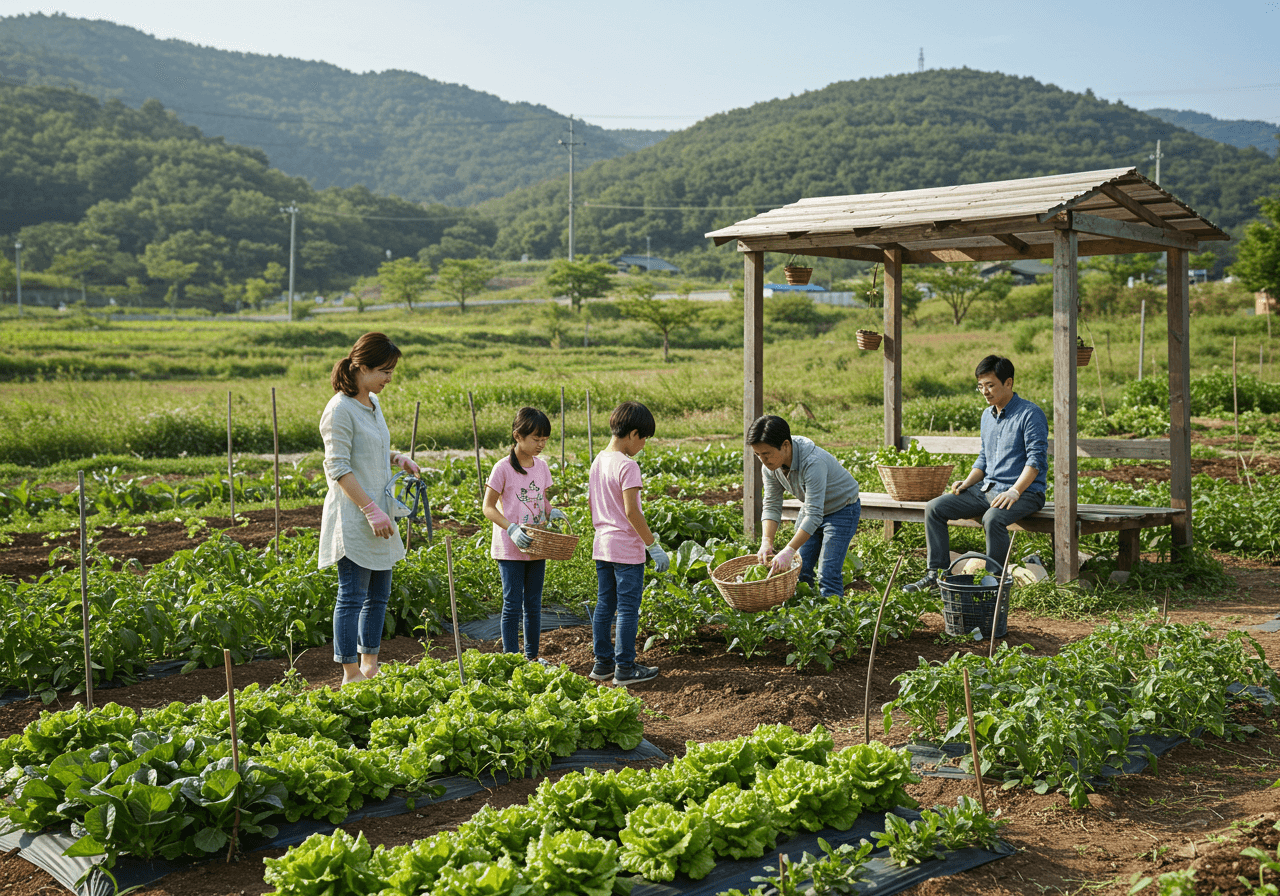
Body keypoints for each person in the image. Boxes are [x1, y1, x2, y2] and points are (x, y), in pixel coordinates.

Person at [318, 332, 419, 686]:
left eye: (391, 371)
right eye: (384, 371)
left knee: (379, 594)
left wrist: (396, 458)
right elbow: (339, 467)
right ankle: (349, 672)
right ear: (361, 367)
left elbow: (370, 450)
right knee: (352, 595)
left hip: (380, 510)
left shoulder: (372, 403)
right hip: (356, 514)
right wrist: (369, 510)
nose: (389, 378)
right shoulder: (339, 410)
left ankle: (370, 664)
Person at [903, 355, 1048, 593]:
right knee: (934, 508)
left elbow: (1036, 461)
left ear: (1008, 383)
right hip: (987, 490)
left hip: (1025, 493)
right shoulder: (986, 416)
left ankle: (993, 582)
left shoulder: (1030, 414)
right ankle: (936, 575)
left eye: (990, 385)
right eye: (980, 386)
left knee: (993, 518)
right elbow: (984, 457)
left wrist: (1015, 491)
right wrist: (967, 482)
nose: (985, 391)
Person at [588, 401, 668, 686]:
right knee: (628, 608)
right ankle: (625, 668)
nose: (643, 444)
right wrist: (652, 546)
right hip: (626, 550)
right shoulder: (627, 465)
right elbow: (632, 511)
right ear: (633, 433)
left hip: (602, 545)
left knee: (604, 605)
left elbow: (594, 505)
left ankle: (603, 664)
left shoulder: (598, 461)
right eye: (644, 438)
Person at [482, 407, 567, 664]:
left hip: (536, 544)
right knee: (512, 604)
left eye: (544, 440)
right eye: (536, 439)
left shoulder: (540, 467)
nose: (541, 444)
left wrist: (551, 512)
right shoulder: (503, 468)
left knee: (533, 604)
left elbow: (540, 497)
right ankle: (512, 658)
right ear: (518, 436)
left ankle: (531, 657)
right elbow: (487, 507)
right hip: (511, 547)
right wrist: (510, 528)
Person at [750, 415, 861, 598]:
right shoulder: (770, 467)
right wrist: (766, 541)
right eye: (758, 454)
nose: (763, 460)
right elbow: (771, 503)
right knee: (800, 571)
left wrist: (789, 549)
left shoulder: (813, 462)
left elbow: (815, 515)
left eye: (766, 453)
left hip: (842, 509)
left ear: (785, 445)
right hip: (812, 508)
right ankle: (806, 619)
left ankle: (833, 619)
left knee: (828, 574)